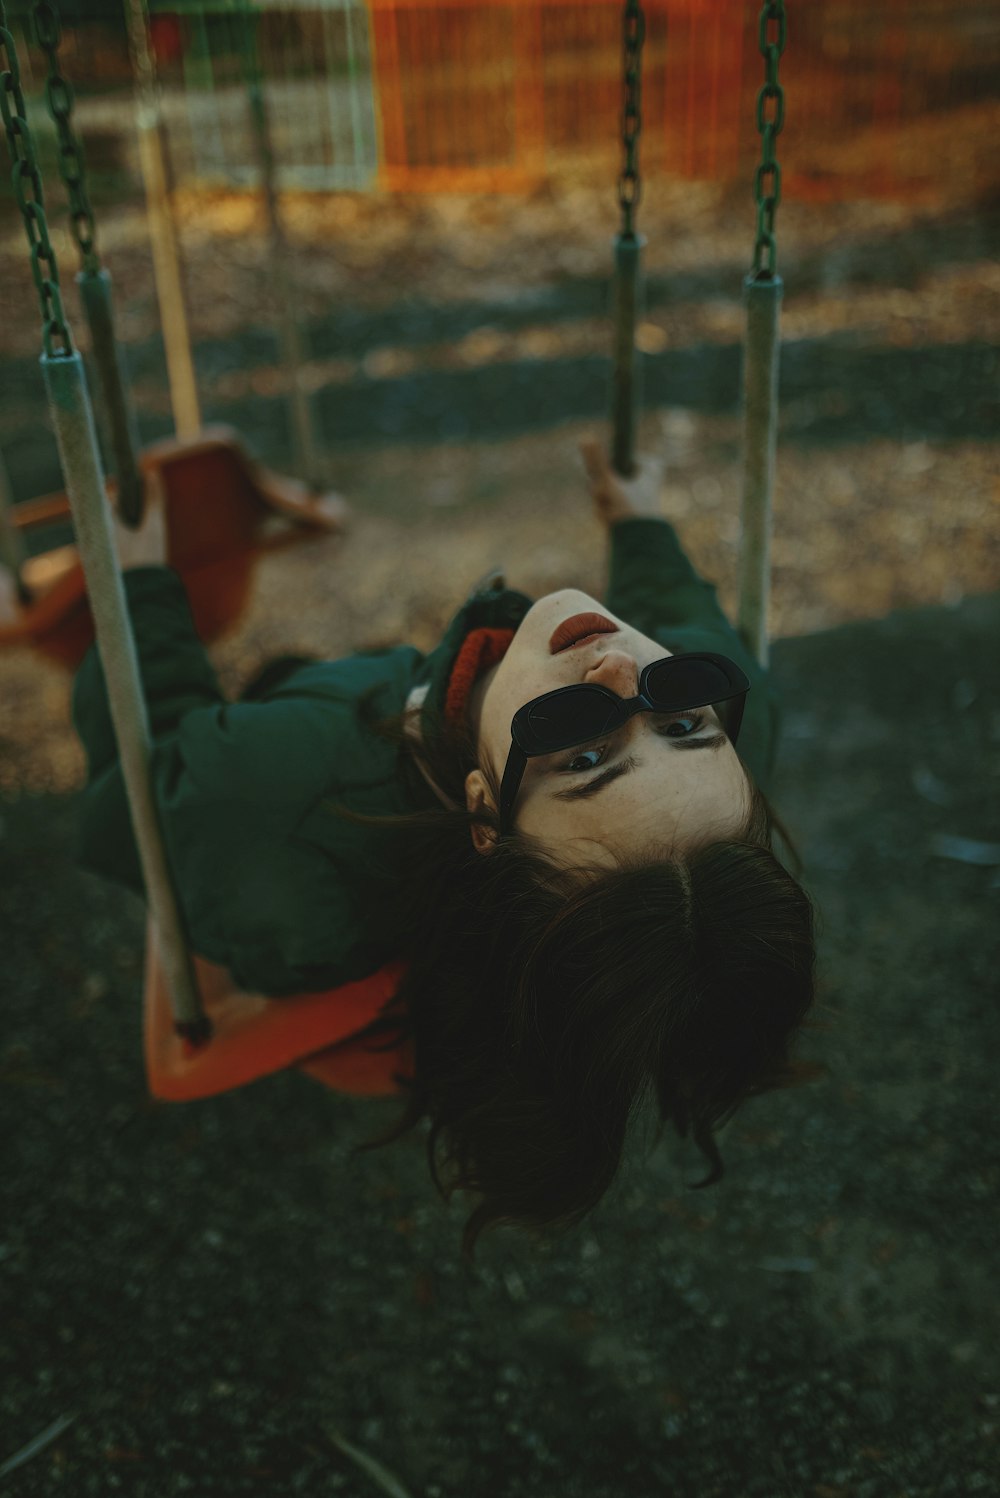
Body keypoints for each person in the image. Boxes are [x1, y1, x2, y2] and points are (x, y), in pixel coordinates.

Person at [70, 429, 824, 1261]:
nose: (620, 672)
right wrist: (638, 521)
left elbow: (143, 783)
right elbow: (688, 624)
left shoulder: (273, 795)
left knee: (280, 675)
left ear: (482, 818)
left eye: (581, 751)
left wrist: (138, 584)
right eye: (682, 719)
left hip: (295, 727)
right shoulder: (727, 709)